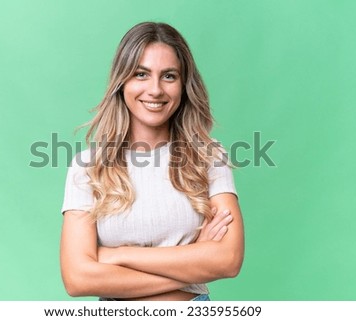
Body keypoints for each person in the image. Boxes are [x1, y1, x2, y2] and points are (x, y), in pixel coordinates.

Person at [60, 22, 244, 301]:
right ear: (122, 82)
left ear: (184, 85)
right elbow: (78, 278)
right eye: (141, 74)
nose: (155, 90)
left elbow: (228, 260)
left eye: (169, 76)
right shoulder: (88, 166)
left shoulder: (208, 156)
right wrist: (193, 264)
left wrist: (118, 255)